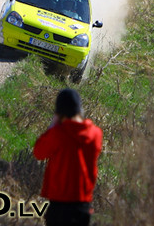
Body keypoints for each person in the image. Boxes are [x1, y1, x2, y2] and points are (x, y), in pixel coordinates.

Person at [33, 88, 103, 226]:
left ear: (59, 112)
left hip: (59, 204)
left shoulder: (58, 133)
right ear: (79, 109)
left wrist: (53, 125)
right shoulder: (95, 134)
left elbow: (39, 153)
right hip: (83, 203)